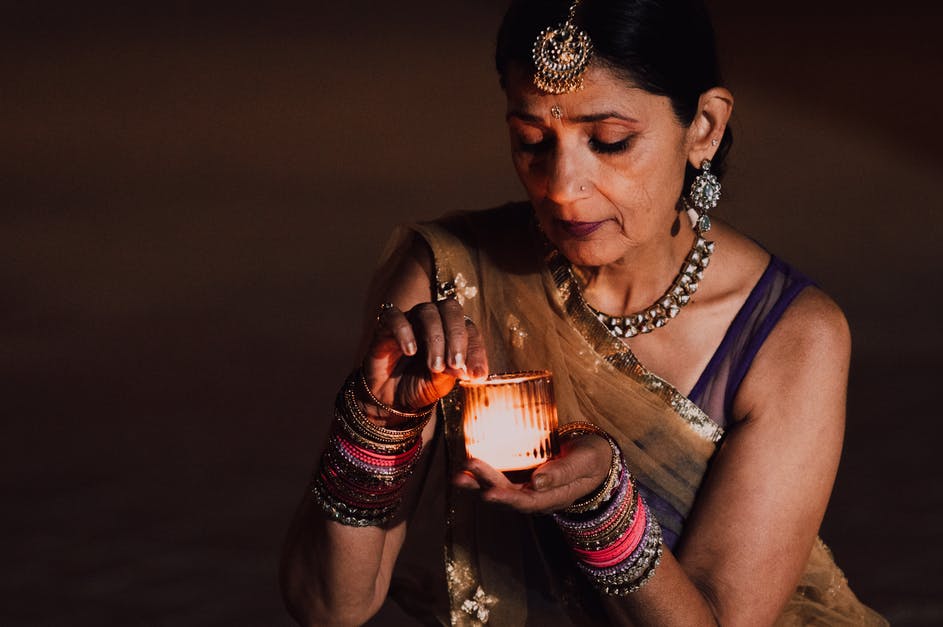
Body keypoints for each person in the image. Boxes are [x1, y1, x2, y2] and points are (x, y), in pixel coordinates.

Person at [281, 0, 886, 624]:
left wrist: (605, 506)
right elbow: (328, 605)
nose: (563, 185)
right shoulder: (450, 278)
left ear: (704, 125)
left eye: (611, 141)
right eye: (532, 142)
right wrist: (378, 424)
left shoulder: (789, 334)